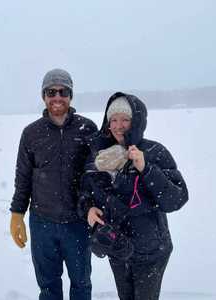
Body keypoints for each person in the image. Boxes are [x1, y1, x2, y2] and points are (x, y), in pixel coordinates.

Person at [78, 92, 188, 300]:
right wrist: (88, 209)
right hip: (117, 247)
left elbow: (176, 199)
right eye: (114, 120)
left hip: (151, 250)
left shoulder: (154, 152)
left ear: (136, 121)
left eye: (125, 119)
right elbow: (85, 191)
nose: (119, 125)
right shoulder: (98, 155)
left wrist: (146, 168)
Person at [10, 68, 97, 300]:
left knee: (81, 284)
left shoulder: (87, 129)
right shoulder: (31, 133)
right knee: (48, 287)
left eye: (63, 91)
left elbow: (97, 176)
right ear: (43, 96)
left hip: (77, 222)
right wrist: (17, 213)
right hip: (42, 223)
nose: (57, 97)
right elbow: (23, 177)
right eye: (51, 91)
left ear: (70, 95)